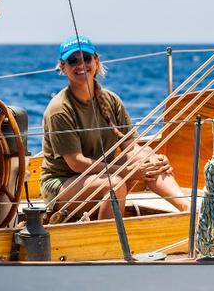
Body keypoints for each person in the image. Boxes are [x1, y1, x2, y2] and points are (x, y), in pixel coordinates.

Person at [39, 35, 189, 220]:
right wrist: (128, 170)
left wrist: (152, 160)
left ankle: (188, 210)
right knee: (114, 185)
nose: (81, 64)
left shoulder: (111, 100)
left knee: (147, 156)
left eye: (86, 58)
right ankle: (106, 240)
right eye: (73, 61)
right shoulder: (59, 109)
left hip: (101, 174)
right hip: (63, 185)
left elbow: (130, 147)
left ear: (96, 60)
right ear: (63, 67)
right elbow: (76, 163)